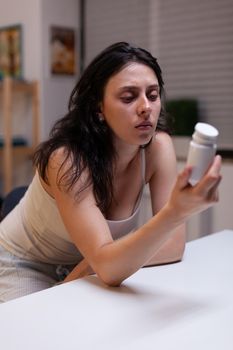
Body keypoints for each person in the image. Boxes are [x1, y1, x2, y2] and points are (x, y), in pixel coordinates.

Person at [0, 42, 222, 303]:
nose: (146, 107)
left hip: (84, 263)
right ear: (99, 108)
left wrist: (92, 265)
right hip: (24, 264)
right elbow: (109, 266)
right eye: (129, 97)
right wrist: (175, 213)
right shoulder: (68, 159)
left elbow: (172, 246)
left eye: (152, 95)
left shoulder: (158, 146)